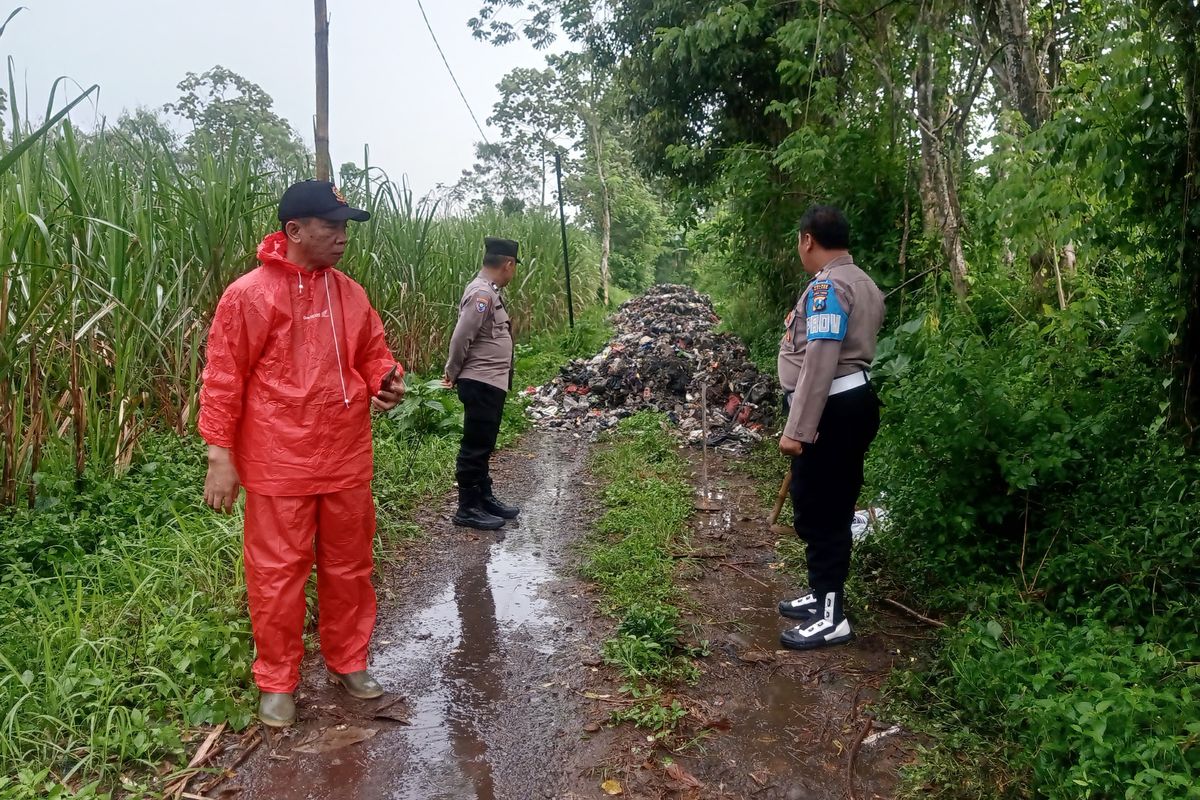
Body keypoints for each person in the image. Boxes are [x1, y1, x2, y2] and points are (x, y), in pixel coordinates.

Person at [199, 179, 405, 727]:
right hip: (276, 458)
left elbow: (372, 355)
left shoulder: (351, 294)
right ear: (294, 231)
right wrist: (220, 454)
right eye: (331, 226)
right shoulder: (248, 295)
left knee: (349, 566)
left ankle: (348, 660)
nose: (342, 237)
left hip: (345, 456)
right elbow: (223, 377)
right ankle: (277, 679)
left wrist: (386, 379)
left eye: (345, 227)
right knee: (276, 573)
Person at [775, 205, 884, 650]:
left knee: (824, 511)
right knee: (820, 503)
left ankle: (831, 617)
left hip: (831, 408)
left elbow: (819, 360)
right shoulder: (862, 282)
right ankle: (822, 598)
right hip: (846, 403)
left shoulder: (829, 287)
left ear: (807, 240)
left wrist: (797, 429)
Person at [441, 237, 521, 530]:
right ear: (508, 264)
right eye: (514, 268)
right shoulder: (481, 294)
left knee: (484, 443)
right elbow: (462, 336)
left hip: (491, 381)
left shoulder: (490, 292)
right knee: (475, 445)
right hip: (480, 380)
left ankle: (484, 498)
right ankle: (467, 507)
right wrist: (452, 370)